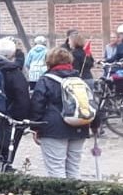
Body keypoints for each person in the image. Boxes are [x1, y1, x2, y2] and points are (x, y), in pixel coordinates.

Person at [30, 48, 93, 179]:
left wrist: (35, 127)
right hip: (79, 125)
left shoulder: (46, 80)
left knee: (56, 168)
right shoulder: (79, 79)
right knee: (74, 167)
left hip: (54, 128)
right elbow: (90, 102)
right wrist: (95, 124)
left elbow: (37, 104)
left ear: (49, 62)